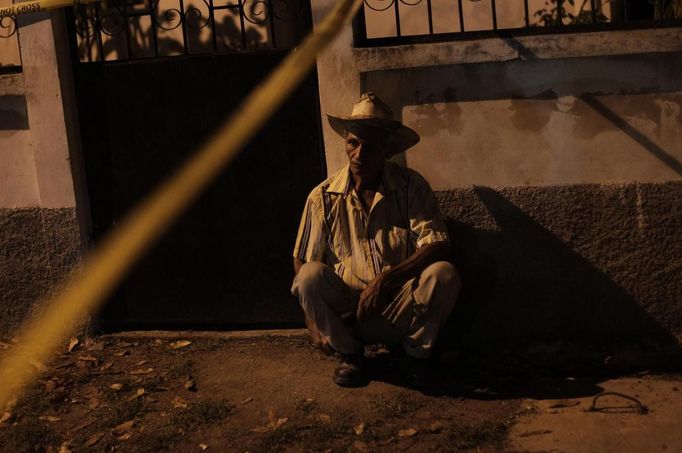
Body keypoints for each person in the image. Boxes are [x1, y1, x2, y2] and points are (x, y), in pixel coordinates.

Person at [291, 92, 461, 388]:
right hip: (348, 317)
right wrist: (312, 321)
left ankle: (414, 356)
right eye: (352, 143)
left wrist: (384, 281)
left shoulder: (410, 185)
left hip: (399, 306)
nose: (358, 155)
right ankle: (351, 355)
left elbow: (438, 242)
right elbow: (303, 258)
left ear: (387, 150)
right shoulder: (322, 196)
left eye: (369, 147)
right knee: (308, 275)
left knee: (443, 274)